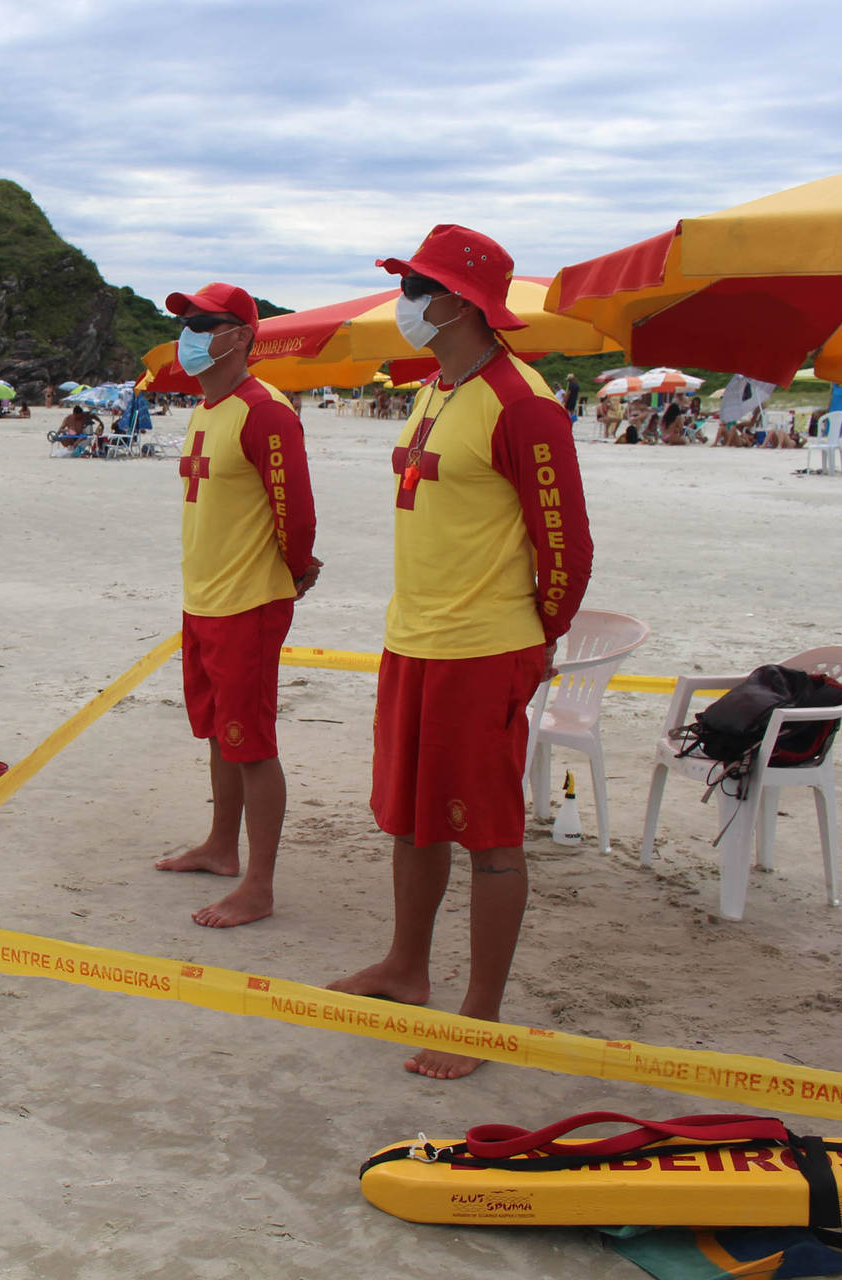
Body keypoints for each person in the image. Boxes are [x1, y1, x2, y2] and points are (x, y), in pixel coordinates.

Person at [328, 225, 592, 1079]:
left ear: (458, 302)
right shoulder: (438, 386)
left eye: (416, 286)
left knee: (488, 834)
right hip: (415, 637)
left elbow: (567, 547)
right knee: (409, 815)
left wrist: (536, 643)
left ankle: (481, 1015)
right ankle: (407, 967)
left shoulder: (523, 403)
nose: (405, 299)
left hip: (484, 649)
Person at [152, 282, 320, 929]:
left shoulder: (265, 410)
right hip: (204, 599)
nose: (191, 332)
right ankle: (222, 846)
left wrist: (296, 572)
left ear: (243, 336)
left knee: (251, 742)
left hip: (248, 603)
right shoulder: (207, 407)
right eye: (187, 322)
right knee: (223, 731)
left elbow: (296, 513)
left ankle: (260, 882)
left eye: (206, 323)